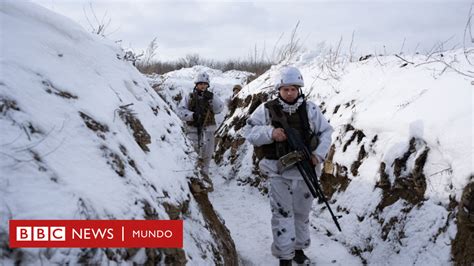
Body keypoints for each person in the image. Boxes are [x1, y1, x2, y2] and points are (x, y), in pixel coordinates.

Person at [245, 66, 334, 265]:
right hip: (278, 171)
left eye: (293, 88)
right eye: (285, 89)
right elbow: (249, 132)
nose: (290, 92)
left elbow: (326, 133)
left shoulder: (310, 109)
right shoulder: (266, 110)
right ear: (279, 89)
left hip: (306, 172)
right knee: (282, 213)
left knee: (302, 214)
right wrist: (270, 133)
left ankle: (299, 249)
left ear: (299, 89)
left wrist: (318, 155)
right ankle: (285, 256)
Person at [178, 71, 224, 180]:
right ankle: (194, 178)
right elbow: (180, 111)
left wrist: (212, 98)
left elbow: (219, 109)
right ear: (196, 84)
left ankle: (205, 177)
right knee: (194, 155)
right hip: (193, 130)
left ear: (208, 85)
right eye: (200, 83)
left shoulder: (212, 96)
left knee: (207, 156)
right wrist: (192, 116)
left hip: (208, 131)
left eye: (205, 83)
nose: (203, 86)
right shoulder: (189, 97)